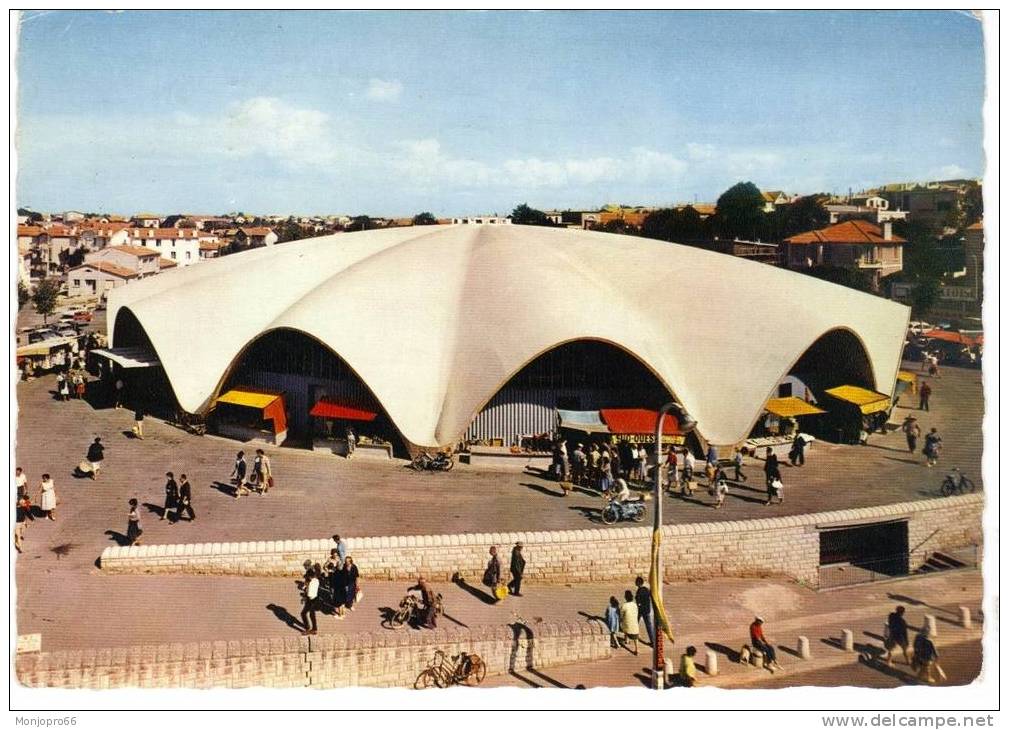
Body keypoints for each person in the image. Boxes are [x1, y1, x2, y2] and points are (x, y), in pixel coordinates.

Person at [634, 576, 655, 647]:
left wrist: (638, 606)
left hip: (641, 610)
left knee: (635, 622)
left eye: (636, 582)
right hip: (647, 610)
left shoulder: (639, 592)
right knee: (649, 626)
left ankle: (633, 635)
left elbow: (638, 603)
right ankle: (653, 641)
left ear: (638, 583)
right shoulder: (646, 589)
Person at [299, 566, 320, 635]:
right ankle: (314, 628)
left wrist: (305, 593)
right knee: (311, 614)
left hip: (311, 599)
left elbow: (310, 594)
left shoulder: (312, 583)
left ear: (310, 576)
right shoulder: (316, 580)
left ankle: (309, 629)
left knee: (305, 614)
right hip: (314, 599)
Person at [619, 590, 639, 655]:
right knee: (636, 638)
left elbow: (621, 615)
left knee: (624, 625)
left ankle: (626, 640)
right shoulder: (635, 605)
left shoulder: (624, 606)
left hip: (627, 625)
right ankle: (636, 649)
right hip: (635, 625)